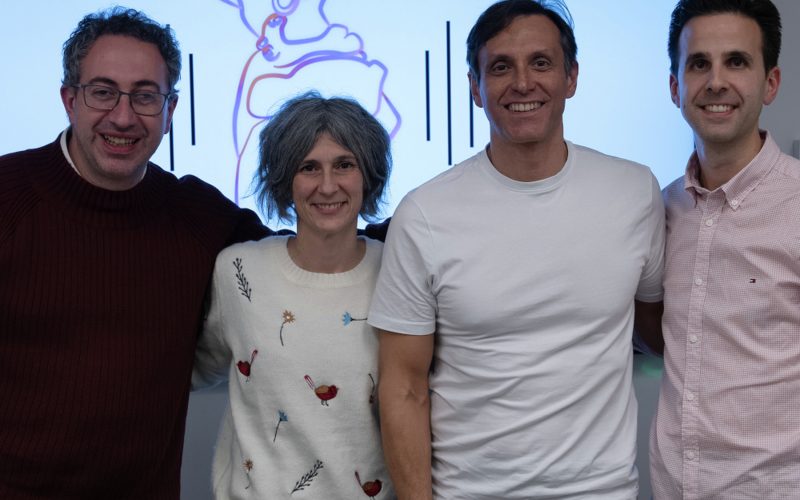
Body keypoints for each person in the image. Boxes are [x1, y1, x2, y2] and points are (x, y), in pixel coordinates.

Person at [368, 0, 665, 498]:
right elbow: (403, 386)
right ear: (475, 87)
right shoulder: (424, 214)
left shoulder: (634, 191)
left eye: (541, 63)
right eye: (501, 67)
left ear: (571, 77)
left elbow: (660, 331)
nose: (523, 83)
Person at [192, 92, 395, 499]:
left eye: (345, 165)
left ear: (369, 175)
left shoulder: (399, 270)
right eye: (308, 167)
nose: (327, 186)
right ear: (284, 180)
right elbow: (197, 368)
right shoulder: (237, 271)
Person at [648, 1, 800, 498]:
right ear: (675, 87)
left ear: (770, 83)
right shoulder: (660, 210)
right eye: (699, 64)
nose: (716, 82)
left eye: (736, 61)